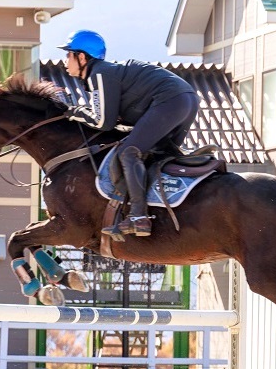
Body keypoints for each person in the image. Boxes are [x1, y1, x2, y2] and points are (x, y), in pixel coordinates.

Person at [58, 30, 199, 237]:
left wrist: (74, 112)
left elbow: (103, 122)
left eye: (68, 55)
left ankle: (139, 217)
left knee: (129, 152)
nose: (64, 61)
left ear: (82, 57)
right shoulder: (104, 74)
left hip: (171, 100)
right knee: (154, 155)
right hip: (186, 100)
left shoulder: (99, 73)